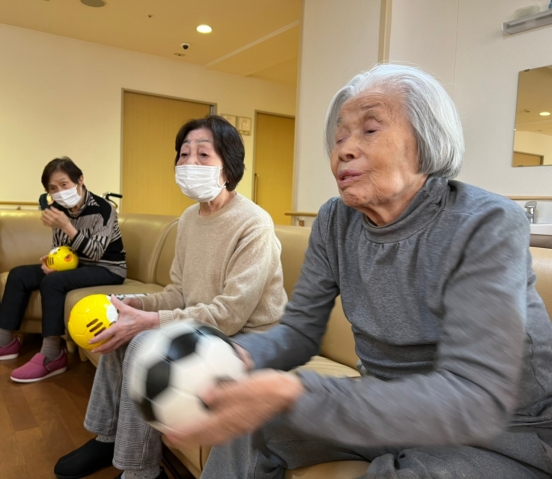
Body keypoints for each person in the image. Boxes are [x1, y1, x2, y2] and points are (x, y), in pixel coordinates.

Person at [164, 65, 552, 479]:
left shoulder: (486, 222)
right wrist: (237, 357)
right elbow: (299, 331)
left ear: (426, 141)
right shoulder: (335, 221)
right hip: (383, 409)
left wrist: (298, 390)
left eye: (369, 130)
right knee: (249, 423)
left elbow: (472, 393)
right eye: (339, 137)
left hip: (499, 431)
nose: (344, 150)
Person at [54, 115, 288, 479]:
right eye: (184, 154)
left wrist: (150, 322)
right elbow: (179, 291)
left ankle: (141, 471)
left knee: (142, 340)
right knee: (119, 321)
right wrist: (135, 306)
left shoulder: (254, 223)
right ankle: (107, 437)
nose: (190, 163)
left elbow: (229, 315)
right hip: (205, 326)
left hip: (250, 337)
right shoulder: (190, 219)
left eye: (203, 155)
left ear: (228, 167)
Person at [0, 157, 127, 383]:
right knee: (18, 275)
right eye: (53, 188)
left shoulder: (104, 209)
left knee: (53, 282)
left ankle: (52, 354)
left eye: (64, 184)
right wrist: (52, 261)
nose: (59, 192)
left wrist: (67, 226)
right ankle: (3, 341)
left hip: (108, 268)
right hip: (77, 265)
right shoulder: (58, 208)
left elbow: (96, 252)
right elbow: (61, 247)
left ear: (80, 180)